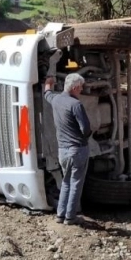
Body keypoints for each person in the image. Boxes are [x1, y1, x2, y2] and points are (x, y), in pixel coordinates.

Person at [44, 74, 92, 226]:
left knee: (66, 182)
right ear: (75, 87)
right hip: (77, 150)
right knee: (76, 183)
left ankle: (60, 214)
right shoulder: (75, 105)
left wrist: (48, 83)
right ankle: (71, 217)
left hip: (63, 151)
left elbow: (47, 94)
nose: (82, 89)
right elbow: (85, 129)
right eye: (81, 87)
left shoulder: (56, 99)